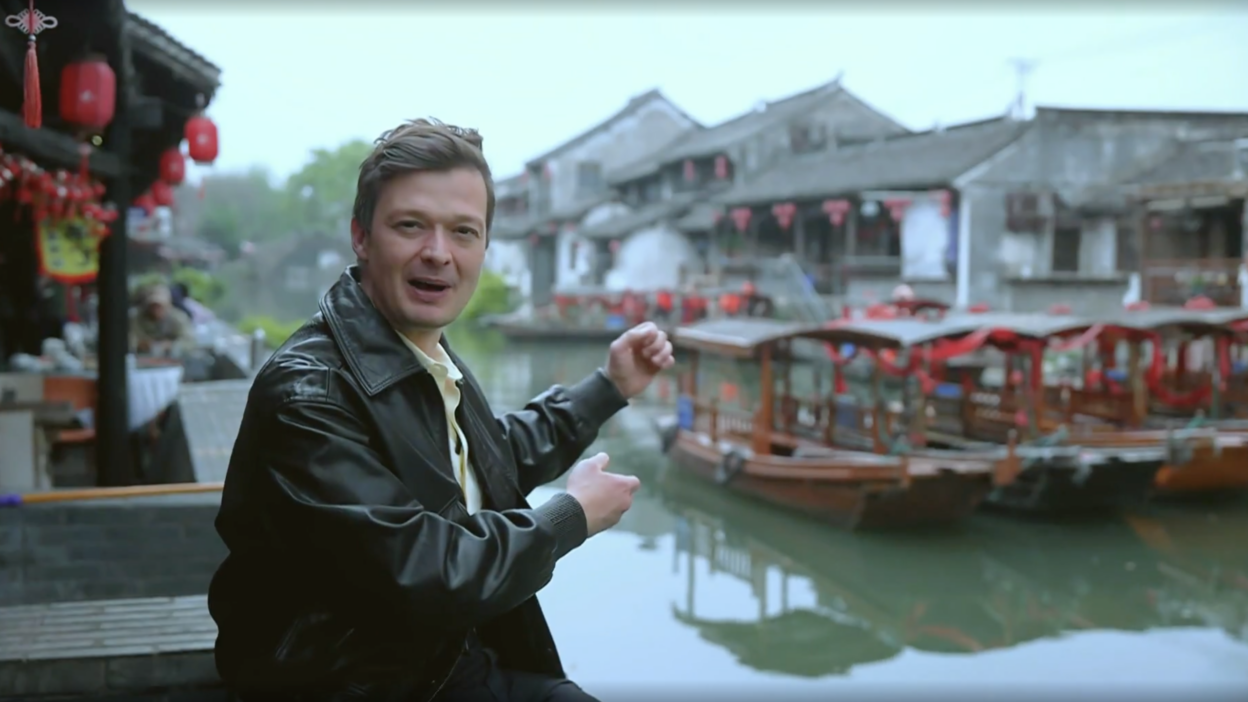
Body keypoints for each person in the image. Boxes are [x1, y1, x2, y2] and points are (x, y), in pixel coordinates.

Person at [208, 118, 675, 702]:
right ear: (361, 236)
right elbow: (427, 568)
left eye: (463, 232)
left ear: (484, 247)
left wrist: (609, 386)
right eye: (410, 226)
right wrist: (569, 516)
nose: (438, 253)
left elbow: (487, 459)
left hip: (441, 660)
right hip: (356, 681)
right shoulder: (309, 392)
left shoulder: (421, 351)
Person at [129, 283, 196, 357]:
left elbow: (190, 341)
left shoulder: (179, 318)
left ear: (168, 305)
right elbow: (129, 340)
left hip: (172, 358)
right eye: (153, 305)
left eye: (160, 306)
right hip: (141, 357)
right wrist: (142, 344)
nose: (156, 309)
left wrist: (170, 345)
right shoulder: (136, 318)